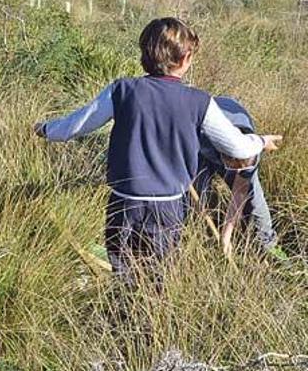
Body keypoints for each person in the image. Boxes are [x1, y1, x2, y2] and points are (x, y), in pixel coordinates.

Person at [34, 18, 282, 283]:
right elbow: (237, 146)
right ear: (186, 58)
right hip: (167, 208)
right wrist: (261, 141)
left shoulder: (121, 90)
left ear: (144, 54)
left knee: (124, 272)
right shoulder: (199, 102)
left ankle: (123, 313)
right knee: (157, 277)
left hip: (122, 203)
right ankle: (148, 320)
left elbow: (76, 125)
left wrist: (45, 129)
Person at [195, 97, 286, 260]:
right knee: (197, 193)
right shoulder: (204, 133)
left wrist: (226, 236)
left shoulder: (250, 151)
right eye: (233, 167)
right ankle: (198, 231)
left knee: (256, 203)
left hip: (235, 129)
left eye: (240, 168)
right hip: (203, 146)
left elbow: (240, 193)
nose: (237, 172)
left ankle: (269, 247)